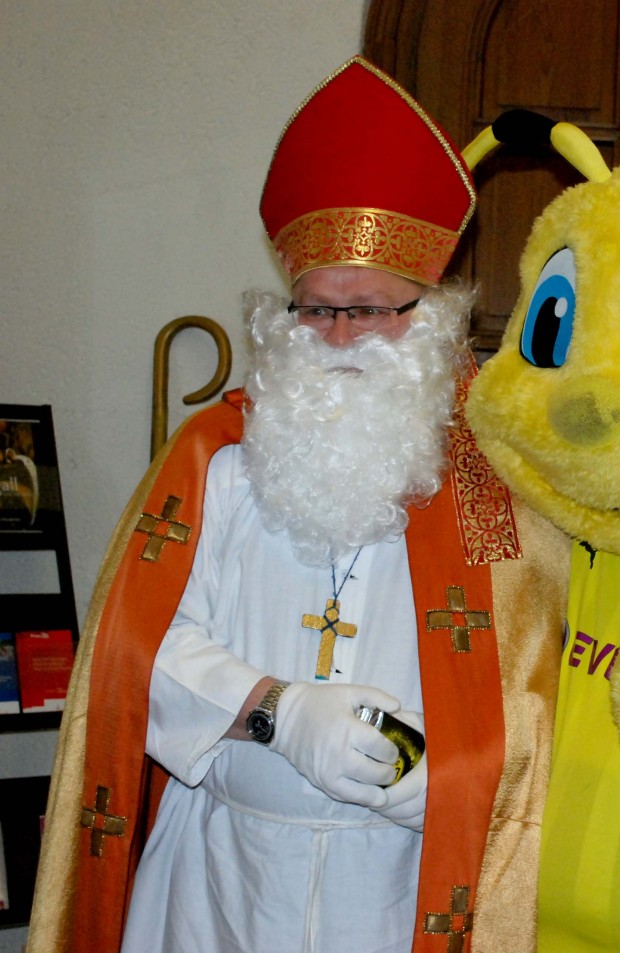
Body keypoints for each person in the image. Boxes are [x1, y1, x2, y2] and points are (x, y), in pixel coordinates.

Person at [27, 56, 568, 953]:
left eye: (373, 313)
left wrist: (445, 778)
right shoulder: (216, 461)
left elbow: (538, 698)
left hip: (394, 893)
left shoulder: (498, 491)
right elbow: (134, 648)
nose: (340, 341)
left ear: (431, 315)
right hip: (214, 881)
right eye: (317, 311)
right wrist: (274, 709)